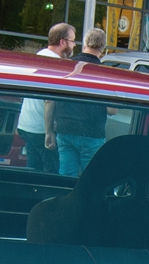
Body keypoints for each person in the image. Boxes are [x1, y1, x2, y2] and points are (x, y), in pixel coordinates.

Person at [15, 23, 75, 172]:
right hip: (41, 129)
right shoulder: (55, 64)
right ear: (62, 42)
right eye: (72, 41)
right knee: (50, 173)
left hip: (26, 124)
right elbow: (49, 100)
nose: (74, 45)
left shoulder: (38, 56)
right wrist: (49, 132)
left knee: (33, 170)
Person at [52, 28, 108, 175]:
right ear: (103, 48)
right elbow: (112, 110)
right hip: (91, 132)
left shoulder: (67, 66)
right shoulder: (104, 73)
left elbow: (53, 98)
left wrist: (49, 129)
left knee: (66, 176)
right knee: (91, 178)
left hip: (65, 128)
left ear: (85, 43)